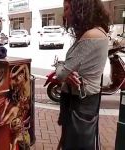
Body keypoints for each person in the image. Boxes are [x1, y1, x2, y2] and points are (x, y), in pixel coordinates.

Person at [56, 0, 110, 149]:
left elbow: (61, 74)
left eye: (67, 8)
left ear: (80, 8)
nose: (64, 13)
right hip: (86, 102)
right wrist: (66, 70)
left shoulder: (90, 35)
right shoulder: (99, 31)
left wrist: (60, 65)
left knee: (75, 144)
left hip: (79, 103)